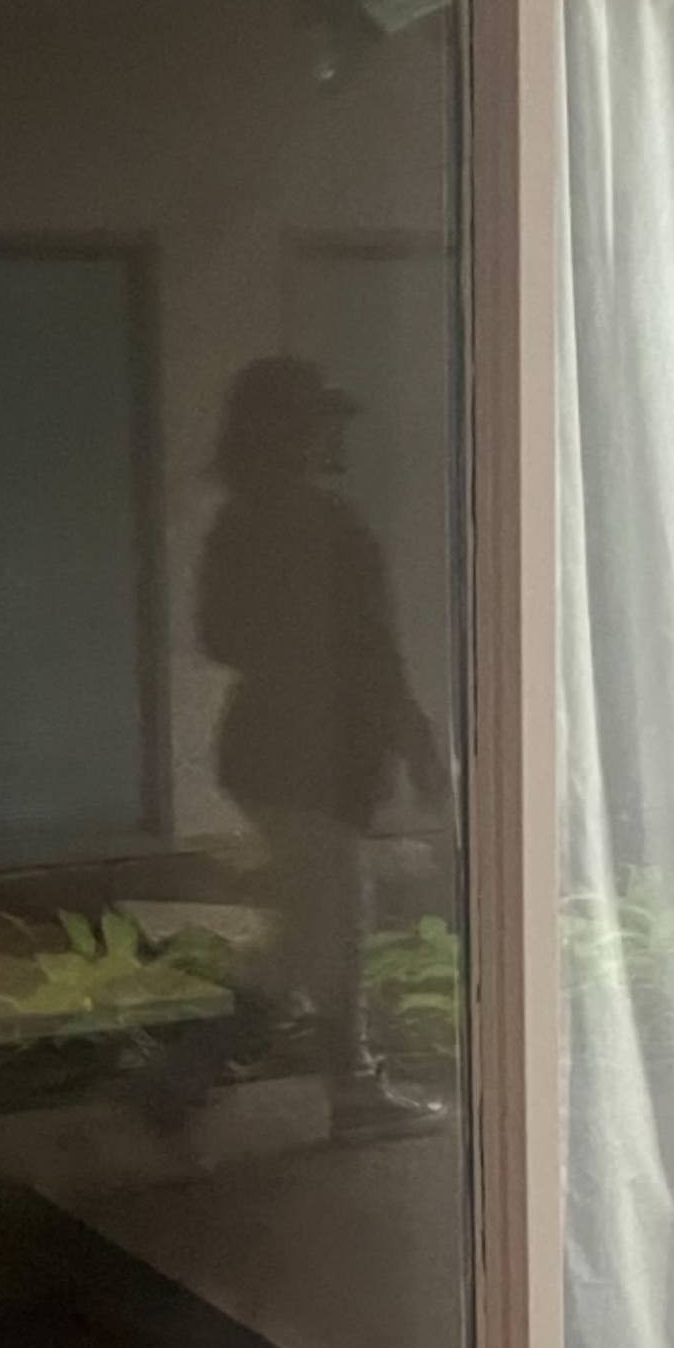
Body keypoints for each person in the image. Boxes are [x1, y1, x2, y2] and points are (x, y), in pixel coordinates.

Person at [194, 354, 447, 1143]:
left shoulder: (242, 522)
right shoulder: (326, 525)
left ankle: (207, 1077)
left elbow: (221, 636)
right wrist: (413, 738)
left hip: (268, 747)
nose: (333, 434)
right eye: (320, 420)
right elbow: (371, 650)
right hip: (313, 753)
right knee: (328, 925)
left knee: (322, 922)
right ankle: (212, 1076)